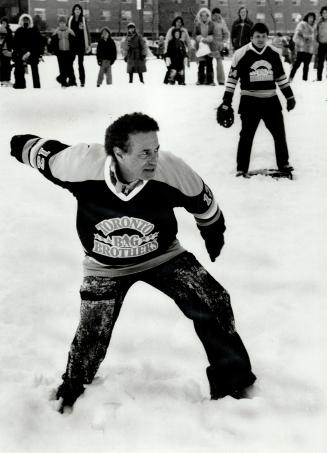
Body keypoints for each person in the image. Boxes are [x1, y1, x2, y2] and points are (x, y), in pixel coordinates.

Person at [10, 112, 256, 413]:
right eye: (144, 153)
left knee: (214, 299)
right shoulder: (80, 165)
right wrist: (20, 144)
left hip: (163, 255)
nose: (154, 159)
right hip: (104, 266)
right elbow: (44, 153)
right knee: (92, 333)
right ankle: (73, 389)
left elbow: (206, 206)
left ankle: (233, 383)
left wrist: (213, 236)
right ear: (117, 153)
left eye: (155, 149)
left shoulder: (172, 170)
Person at [218, 23, 296, 177]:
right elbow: (232, 80)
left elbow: (280, 77)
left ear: (267, 37)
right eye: (257, 36)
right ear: (251, 37)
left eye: (263, 36)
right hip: (250, 101)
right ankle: (241, 167)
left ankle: (284, 164)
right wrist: (226, 101)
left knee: (279, 134)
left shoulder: (274, 53)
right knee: (246, 136)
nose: (260, 39)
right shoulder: (240, 54)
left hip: (271, 101)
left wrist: (290, 96)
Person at [12, 14, 43, 89]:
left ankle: (37, 87)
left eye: (27, 20)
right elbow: (15, 44)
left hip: (33, 52)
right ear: (21, 21)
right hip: (21, 53)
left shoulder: (34, 30)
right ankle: (20, 85)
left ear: (30, 21)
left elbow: (38, 43)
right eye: (24, 20)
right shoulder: (18, 31)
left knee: (35, 70)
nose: (26, 21)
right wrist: (19, 53)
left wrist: (32, 53)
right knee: (19, 68)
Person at [68, 3, 91, 87]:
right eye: (76, 9)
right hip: (72, 45)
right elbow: (67, 31)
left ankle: (82, 81)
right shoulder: (70, 19)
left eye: (79, 9)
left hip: (81, 45)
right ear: (73, 11)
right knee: (70, 63)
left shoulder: (83, 20)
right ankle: (72, 80)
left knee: (80, 64)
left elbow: (87, 32)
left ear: (81, 11)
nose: (77, 11)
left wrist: (88, 44)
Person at [163, 16, 191, 84]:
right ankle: (170, 80)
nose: (179, 23)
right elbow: (167, 41)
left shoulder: (184, 31)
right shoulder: (171, 30)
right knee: (172, 68)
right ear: (175, 22)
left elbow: (188, 42)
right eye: (177, 22)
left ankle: (181, 80)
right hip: (172, 52)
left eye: (180, 22)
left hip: (181, 52)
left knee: (181, 68)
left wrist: (188, 54)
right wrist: (166, 53)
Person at [289, 12, 316, 82]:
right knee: (297, 63)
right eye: (310, 17)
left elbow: (315, 37)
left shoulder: (314, 26)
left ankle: (305, 80)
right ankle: (290, 77)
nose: (311, 19)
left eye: (312, 18)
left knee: (306, 65)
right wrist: (306, 36)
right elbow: (297, 33)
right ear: (307, 17)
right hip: (302, 47)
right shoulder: (302, 24)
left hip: (310, 48)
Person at [50, 16, 76, 88]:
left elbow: (74, 43)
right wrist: (55, 51)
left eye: (63, 23)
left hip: (69, 53)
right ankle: (63, 83)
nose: (62, 24)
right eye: (61, 23)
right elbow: (53, 43)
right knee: (62, 68)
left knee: (69, 68)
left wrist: (73, 52)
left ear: (66, 23)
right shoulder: (56, 32)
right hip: (60, 53)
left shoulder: (70, 31)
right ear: (59, 23)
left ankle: (72, 82)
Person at [194, 7, 215, 85]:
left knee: (209, 63)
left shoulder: (211, 24)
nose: (204, 17)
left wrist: (208, 39)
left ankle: (210, 80)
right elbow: (195, 34)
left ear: (208, 16)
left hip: (209, 47)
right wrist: (199, 38)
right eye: (202, 15)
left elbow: (212, 34)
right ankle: (200, 80)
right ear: (200, 16)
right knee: (201, 64)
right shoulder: (198, 24)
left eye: (205, 15)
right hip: (201, 47)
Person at [211, 8, 230, 85]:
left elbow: (226, 33)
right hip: (214, 44)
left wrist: (224, 41)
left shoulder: (220, 21)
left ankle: (217, 80)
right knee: (212, 62)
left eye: (217, 14)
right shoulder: (212, 22)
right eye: (215, 14)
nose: (216, 15)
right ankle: (215, 80)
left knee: (216, 63)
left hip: (215, 44)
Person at [315, 6, 327, 81]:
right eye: (324, 12)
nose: (325, 14)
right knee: (320, 62)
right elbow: (315, 33)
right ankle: (319, 78)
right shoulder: (319, 22)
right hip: (321, 44)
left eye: (326, 12)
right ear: (321, 14)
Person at [0, 22, 12, 86]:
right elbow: (4, 51)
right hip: (3, 56)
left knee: (4, 66)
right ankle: (4, 80)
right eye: (2, 34)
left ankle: (3, 80)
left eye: (4, 35)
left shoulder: (3, 40)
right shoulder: (2, 40)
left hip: (4, 55)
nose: (3, 36)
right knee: (6, 66)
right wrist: (12, 54)